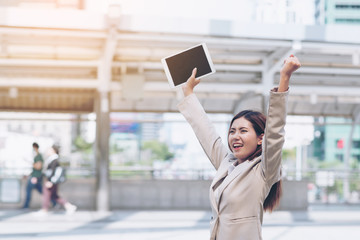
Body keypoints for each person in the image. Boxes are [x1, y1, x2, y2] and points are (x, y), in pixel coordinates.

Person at [177, 55, 301, 240]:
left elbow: (275, 132)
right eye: (232, 131)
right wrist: (188, 93)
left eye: (243, 131)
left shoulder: (264, 171)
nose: (235, 136)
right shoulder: (227, 164)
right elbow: (206, 133)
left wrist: (284, 78)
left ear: (261, 138)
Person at [38, 145, 77, 215]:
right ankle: (69, 206)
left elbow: (53, 171)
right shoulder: (52, 159)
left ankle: (44, 209)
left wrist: (50, 181)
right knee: (54, 196)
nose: (47, 151)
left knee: (47, 194)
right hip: (52, 181)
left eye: (49, 150)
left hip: (51, 181)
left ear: (53, 150)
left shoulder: (54, 160)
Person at [22, 142, 44, 209]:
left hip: (36, 177)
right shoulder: (37, 156)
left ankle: (26, 205)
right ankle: (54, 202)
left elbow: (38, 167)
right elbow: (35, 169)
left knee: (29, 190)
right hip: (35, 176)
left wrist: (30, 162)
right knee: (41, 190)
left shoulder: (38, 156)